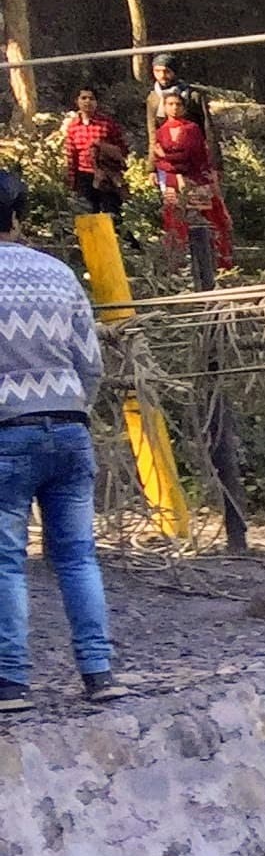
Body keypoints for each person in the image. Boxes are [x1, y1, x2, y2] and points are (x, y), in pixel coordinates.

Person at [0, 172, 123, 712]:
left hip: (6, 434)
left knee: (6, 561)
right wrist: (73, 407)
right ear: (19, 215)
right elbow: (90, 363)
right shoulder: (58, 273)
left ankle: (12, 681)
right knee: (77, 558)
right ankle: (99, 672)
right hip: (69, 429)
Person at [149, 91, 235, 271]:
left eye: (178, 104)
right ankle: (179, 265)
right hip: (172, 183)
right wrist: (170, 162)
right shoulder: (161, 132)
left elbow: (194, 156)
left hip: (196, 181)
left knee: (205, 221)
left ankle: (216, 265)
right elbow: (160, 162)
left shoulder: (192, 129)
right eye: (170, 104)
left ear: (184, 107)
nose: (174, 108)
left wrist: (168, 157)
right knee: (175, 221)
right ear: (164, 107)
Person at [60, 87, 133, 218]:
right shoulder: (73, 127)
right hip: (84, 177)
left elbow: (122, 148)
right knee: (87, 215)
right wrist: (72, 181)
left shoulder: (107, 124)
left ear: (96, 102)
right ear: (77, 101)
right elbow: (71, 156)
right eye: (83, 98)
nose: (87, 101)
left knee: (111, 214)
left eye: (91, 98)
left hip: (107, 176)